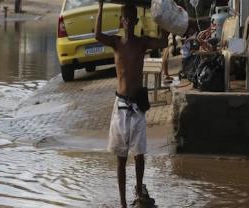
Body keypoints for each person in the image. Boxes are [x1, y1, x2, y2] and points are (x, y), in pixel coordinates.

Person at [95, 1, 169, 207]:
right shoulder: (116, 42)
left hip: (137, 106)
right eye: (125, 18)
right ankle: (122, 203)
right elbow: (97, 35)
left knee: (139, 155)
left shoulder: (142, 42)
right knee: (121, 157)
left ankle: (138, 190)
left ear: (136, 21)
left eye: (131, 18)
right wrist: (100, 7)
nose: (128, 21)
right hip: (120, 106)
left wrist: (162, 15)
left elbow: (163, 42)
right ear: (121, 21)